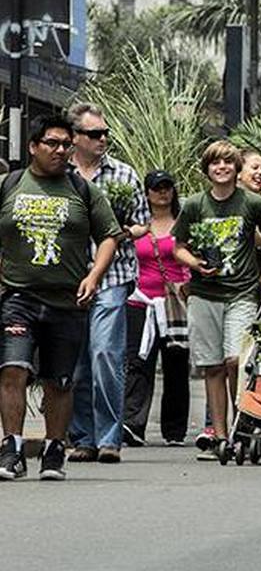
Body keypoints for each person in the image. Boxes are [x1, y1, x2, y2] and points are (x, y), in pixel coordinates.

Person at [0, 114, 122, 481]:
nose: (60, 150)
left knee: (60, 380)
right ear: (33, 146)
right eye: (51, 143)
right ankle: (12, 447)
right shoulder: (10, 185)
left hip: (68, 302)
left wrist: (94, 275)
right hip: (18, 296)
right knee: (12, 369)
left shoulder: (83, 190)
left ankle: (54, 448)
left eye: (65, 144)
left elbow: (110, 235)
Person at [173, 141, 261, 457]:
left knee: (237, 361)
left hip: (242, 292)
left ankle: (240, 423)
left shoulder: (252, 203)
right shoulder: (194, 205)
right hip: (204, 295)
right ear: (207, 170)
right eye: (215, 163)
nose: (222, 168)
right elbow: (177, 246)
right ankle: (220, 436)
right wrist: (195, 264)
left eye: (228, 163)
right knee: (213, 366)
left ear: (236, 168)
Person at [67, 103, 149, 464]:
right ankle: (83, 436)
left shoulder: (123, 174)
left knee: (105, 354)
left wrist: (118, 232)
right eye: (94, 134)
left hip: (113, 275)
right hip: (67, 277)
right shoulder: (61, 174)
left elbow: (144, 222)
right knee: (78, 361)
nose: (102, 140)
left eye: (105, 133)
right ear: (75, 138)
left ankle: (109, 437)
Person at [122, 171, 191, 447]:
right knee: (138, 363)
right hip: (141, 301)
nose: (162, 193)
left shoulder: (183, 223)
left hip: (175, 302)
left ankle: (174, 430)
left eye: (167, 187)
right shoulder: (139, 225)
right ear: (147, 192)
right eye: (156, 188)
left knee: (176, 363)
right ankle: (132, 424)